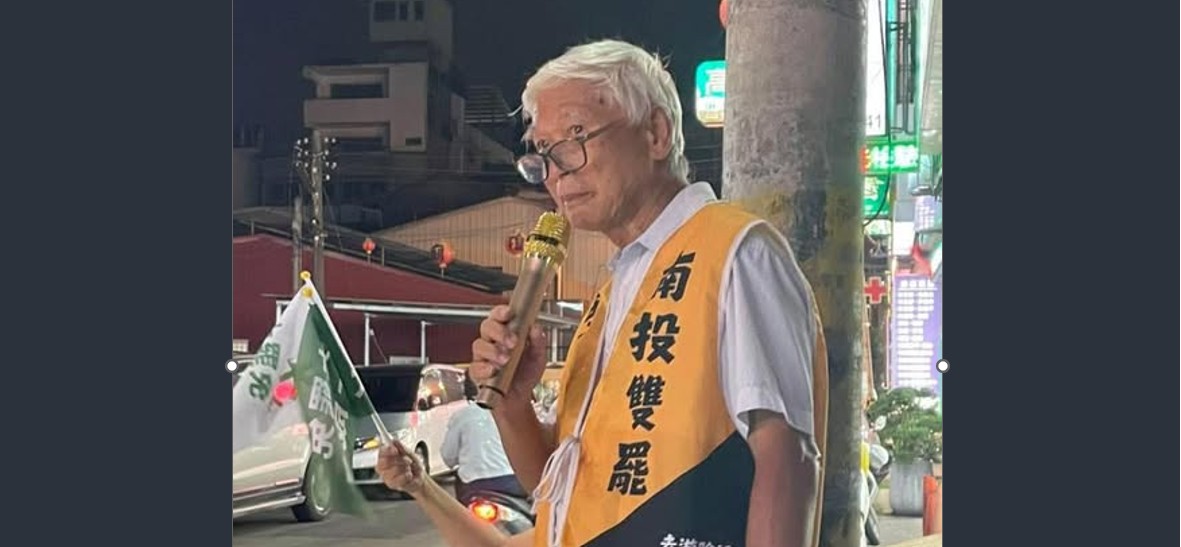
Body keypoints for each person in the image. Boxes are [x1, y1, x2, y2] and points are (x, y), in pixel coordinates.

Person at [377, 38, 829, 547]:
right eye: (544, 153)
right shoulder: (613, 292)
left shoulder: (738, 253)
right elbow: (558, 495)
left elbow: (787, 456)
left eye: (575, 138)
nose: (557, 173)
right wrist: (513, 404)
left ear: (656, 133)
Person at [441, 373, 530, 505]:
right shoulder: (513, 413)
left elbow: (448, 457)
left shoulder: (461, 416)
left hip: (474, 486)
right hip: (512, 482)